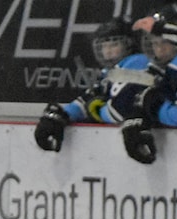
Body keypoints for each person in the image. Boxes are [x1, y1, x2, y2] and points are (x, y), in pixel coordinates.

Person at [34, 17, 152, 152]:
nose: (108, 51)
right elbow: (90, 98)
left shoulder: (137, 63)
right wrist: (61, 116)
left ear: (129, 43)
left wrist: (95, 111)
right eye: (104, 45)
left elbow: (120, 111)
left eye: (114, 44)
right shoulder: (111, 72)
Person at [120, 4, 177, 163]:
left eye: (165, 42)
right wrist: (139, 115)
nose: (159, 50)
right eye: (155, 43)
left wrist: (154, 109)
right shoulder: (157, 69)